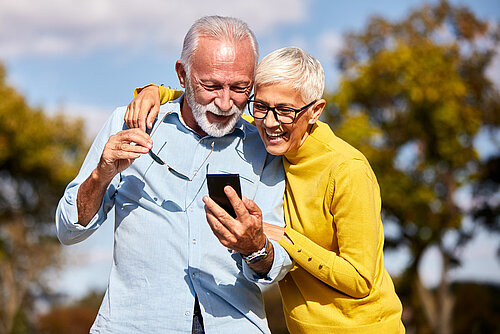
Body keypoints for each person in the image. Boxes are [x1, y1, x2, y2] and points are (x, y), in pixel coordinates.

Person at [129, 47, 405, 333]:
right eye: (260, 106)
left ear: (315, 111)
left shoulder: (347, 169)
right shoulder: (274, 142)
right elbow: (212, 103)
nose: (270, 122)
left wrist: (284, 238)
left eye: (285, 111)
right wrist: (155, 92)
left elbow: (361, 280)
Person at [55, 16, 293, 334]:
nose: (225, 102)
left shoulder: (264, 147)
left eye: (240, 88)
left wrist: (255, 246)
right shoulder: (127, 124)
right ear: (182, 74)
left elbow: (276, 265)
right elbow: (69, 228)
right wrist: (102, 173)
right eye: (210, 86)